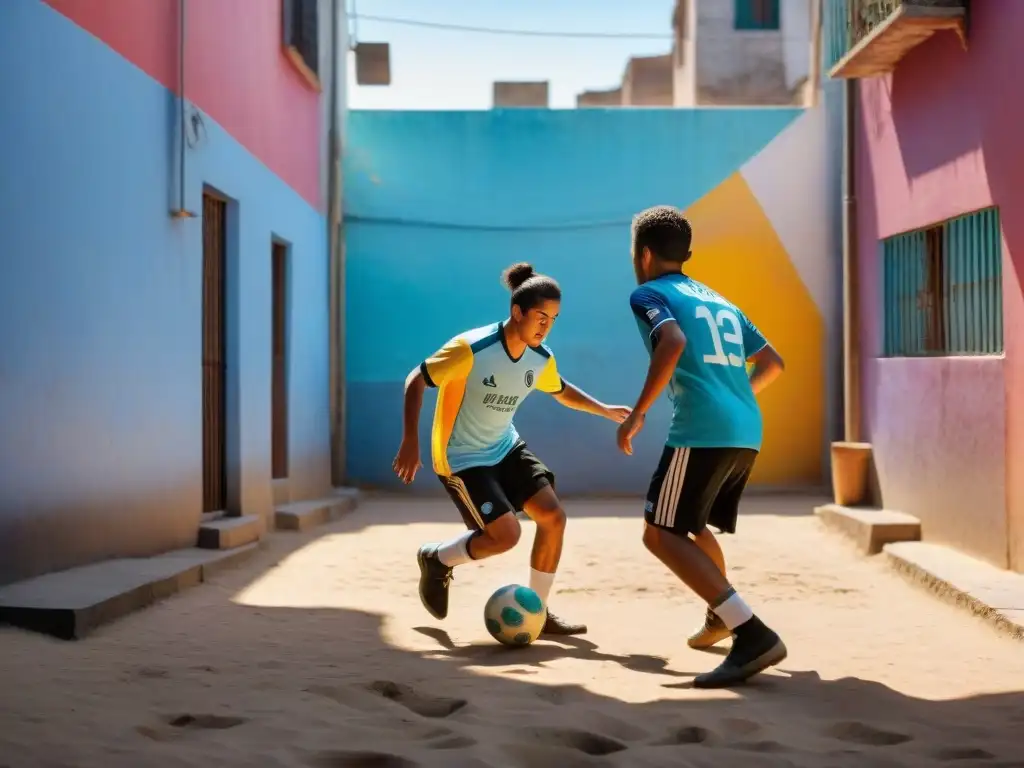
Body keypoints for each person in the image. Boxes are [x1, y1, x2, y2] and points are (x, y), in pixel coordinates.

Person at [393, 262, 632, 636]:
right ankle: (437, 559)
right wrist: (410, 440)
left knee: (553, 517)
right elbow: (416, 380)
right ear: (516, 312)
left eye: (553, 319)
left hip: (505, 446)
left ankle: (538, 611)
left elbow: (561, 389)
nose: (546, 326)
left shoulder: (540, 358)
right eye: (540, 316)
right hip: (462, 458)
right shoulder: (471, 348)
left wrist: (604, 409)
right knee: (505, 537)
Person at [615, 206, 787, 689]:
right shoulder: (718, 298)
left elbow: (670, 341)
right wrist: (734, 397)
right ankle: (721, 615)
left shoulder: (648, 292)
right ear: (685, 253)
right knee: (688, 525)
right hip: (745, 429)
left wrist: (637, 412)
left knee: (659, 533)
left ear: (643, 253)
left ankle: (750, 632)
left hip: (701, 429)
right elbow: (772, 363)